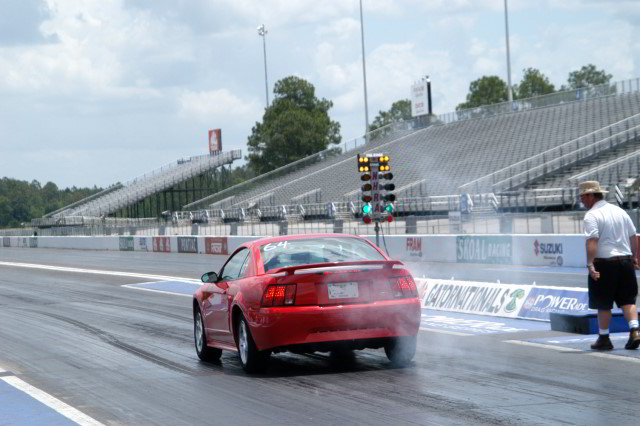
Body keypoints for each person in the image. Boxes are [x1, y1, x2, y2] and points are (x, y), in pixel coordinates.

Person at [580, 181, 640, 350]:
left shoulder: (592, 215)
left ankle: (604, 338)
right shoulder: (619, 211)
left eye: (583, 196)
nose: (581, 200)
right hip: (626, 261)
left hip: (604, 264)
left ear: (591, 195)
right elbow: (633, 235)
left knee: (603, 303)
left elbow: (592, 240)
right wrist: (634, 257)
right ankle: (635, 329)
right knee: (628, 301)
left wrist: (590, 264)